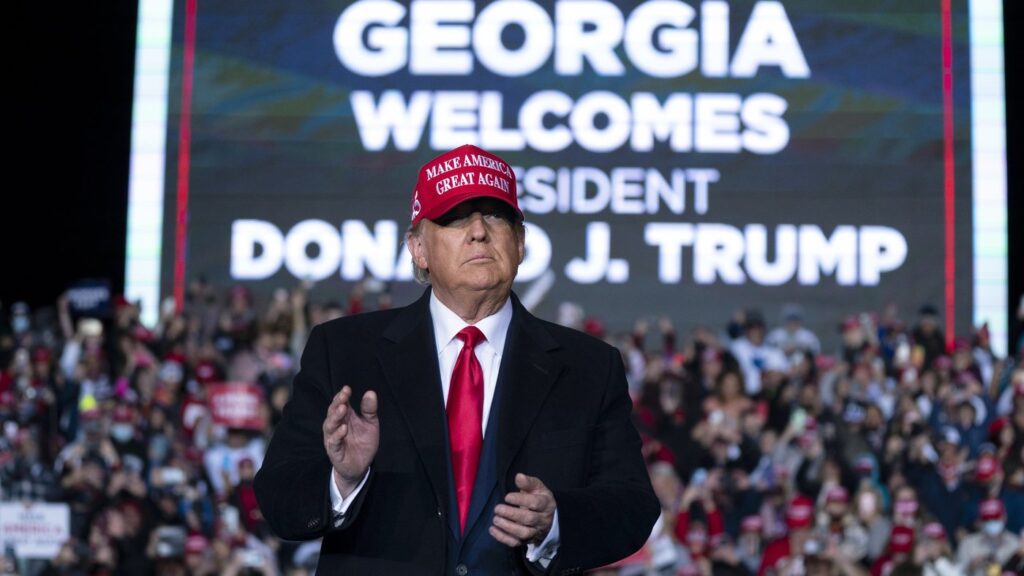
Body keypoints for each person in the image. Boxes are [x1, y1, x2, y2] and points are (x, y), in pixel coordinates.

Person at [254, 144, 659, 574]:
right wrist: (343, 481)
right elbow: (279, 499)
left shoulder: (589, 368)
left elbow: (631, 504)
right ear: (418, 249)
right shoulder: (344, 350)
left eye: (496, 215)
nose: (479, 231)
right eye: (454, 218)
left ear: (520, 243)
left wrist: (555, 521)